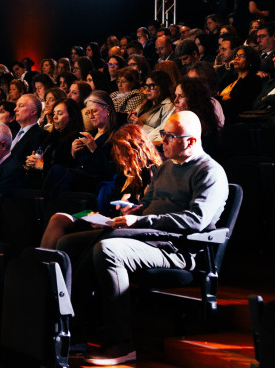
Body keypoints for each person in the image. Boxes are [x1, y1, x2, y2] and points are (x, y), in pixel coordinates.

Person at [74, 111, 228, 365]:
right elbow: (148, 203)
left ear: (190, 141)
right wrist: (133, 210)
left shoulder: (210, 172)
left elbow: (195, 220)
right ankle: (77, 328)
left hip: (178, 248)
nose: (163, 140)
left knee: (108, 249)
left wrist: (141, 220)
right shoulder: (167, 166)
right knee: (71, 241)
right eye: (164, 134)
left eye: (170, 136)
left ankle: (120, 343)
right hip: (148, 235)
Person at [40, 124, 160, 249]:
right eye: (119, 156)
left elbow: (146, 212)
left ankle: (49, 264)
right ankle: (41, 265)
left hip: (123, 227)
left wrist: (117, 217)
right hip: (109, 220)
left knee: (65, 236)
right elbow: (112, 207)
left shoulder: (152, 173)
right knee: (59, 218)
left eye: (125, 156)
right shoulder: (124, 174)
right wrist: (99, 217)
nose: (122, 161)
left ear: (137, 151)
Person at [70, 91, 118, 193]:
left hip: (96, 183)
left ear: (108, 109)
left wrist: (94, 149)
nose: (91, 116)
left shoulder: (117, 135)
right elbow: (78, 164)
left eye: (94, 111)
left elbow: (110, 170)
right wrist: (74, 154)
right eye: (88, 112)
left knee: (58, 172)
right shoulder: (89, 134)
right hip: (79, 179)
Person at [128, 70, 176, 143]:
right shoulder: (146, 103)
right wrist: (131, 118)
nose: (147, 89)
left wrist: (142, 126)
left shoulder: (168, 106)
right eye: (146, 86)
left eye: (151, 86)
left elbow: (163, 134)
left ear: (162, 86)